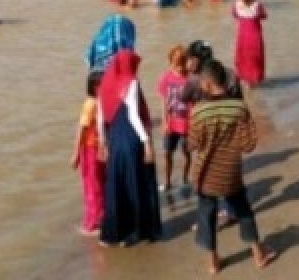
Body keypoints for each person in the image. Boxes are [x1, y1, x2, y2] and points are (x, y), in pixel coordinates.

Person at [188, 60, 277, 274]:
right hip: (230, 171)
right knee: (243, 211)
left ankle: (213, 263)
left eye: (200, 82)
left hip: (204, 173)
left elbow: (193, 144)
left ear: (207, 84)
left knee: (206, 215)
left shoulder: (198, 111)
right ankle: (258, 254)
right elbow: (248, 145)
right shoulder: (239, 107)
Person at [97, 49, 162, 246]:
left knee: (117, 187)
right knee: (138, 185)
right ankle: (140, 230)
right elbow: (134, 116)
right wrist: (147, 142)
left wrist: (103, 142)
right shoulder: (131, 82)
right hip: (132, 140)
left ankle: (114, 234)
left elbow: (100, 118)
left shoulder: (103, 85)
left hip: (115, 141)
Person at [71, 70, 106, 235]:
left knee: (99, 183)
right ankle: (92, 221)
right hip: (90, 149)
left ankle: (100, 217)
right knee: (93, 185)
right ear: (95, 86)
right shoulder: (91, 104)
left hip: (99, 148)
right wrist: (76, 153)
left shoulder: (100, 101)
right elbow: (82, 129)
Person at [157, 46, 192, 193]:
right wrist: (165, 121)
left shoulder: (191, 78)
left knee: (186, 152)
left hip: (187, 124)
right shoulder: (166, 78)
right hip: (171, 123)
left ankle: (185, 179)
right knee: (166, 153)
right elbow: (164, 101)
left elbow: (195, 101)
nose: (179, 67)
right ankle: (167, 182)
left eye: (182, 63)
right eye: (175, 63)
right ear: (170, 62)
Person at [231, 0, 267, 86]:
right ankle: (255, 82)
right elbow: (264, 16)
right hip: (255, 37)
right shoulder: (258, 5)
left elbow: (235, 15)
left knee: (243, 58)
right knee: (255, 60)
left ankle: (246, 81)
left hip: (242, 37)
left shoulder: (236, 5)